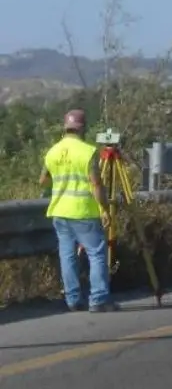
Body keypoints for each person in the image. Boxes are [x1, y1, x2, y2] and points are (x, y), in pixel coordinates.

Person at [40, 109, 119, 312]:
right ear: (82, 128)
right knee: (96, 254)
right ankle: (99, 299)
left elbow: (43, 180)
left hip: (59, 211)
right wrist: (104, 208)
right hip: (83, 212)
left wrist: (61, 182)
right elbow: (96, 184)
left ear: (65, 127)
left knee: (67, 255)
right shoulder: (87, 151)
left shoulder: (52, 151)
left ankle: (73, 300)